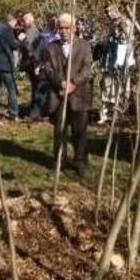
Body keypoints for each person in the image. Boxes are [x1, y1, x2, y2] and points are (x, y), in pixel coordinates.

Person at [41, 13, 94, 177]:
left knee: (80, 132)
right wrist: (61, 83)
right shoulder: (51, 47)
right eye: (61, 28)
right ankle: (59, 161)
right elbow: (48, 69)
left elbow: (87, 69)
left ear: (74, 28)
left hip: (79, 96)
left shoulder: (84, 46)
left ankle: (80, 161)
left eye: (67, 28)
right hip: (59, 96)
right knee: (60, 131)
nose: (63, 31)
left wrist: (73, 83)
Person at [96, 5, 133, 125]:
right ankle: (105, 114)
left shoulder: (126, 22)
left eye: (110, 11)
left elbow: (129, 41)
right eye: (106, 11)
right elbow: (106, 39)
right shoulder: (110, 25)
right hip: (109, 61)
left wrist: (122, 32)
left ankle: (118, 114)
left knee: (120, 88)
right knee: (106, 87)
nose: (109, 14)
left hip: (121, 61)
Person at [0, 12, 22, 123]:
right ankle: (14, 113)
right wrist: (21, 41)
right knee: (12, 90)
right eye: (15, 22)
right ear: (12, 20)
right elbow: (13, 45)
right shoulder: (7, 29)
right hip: (5, 64)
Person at [19, 12, 46, 119]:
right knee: (35, 87)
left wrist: (36, 65)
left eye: (25, 20)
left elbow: (32, 50)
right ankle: (35, 110)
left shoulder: (33, 32)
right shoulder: (29, 31)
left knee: (38, 88)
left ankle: (36, 112)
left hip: (35, 64)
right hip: (31, 64)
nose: (23, 22)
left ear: (30, 20)